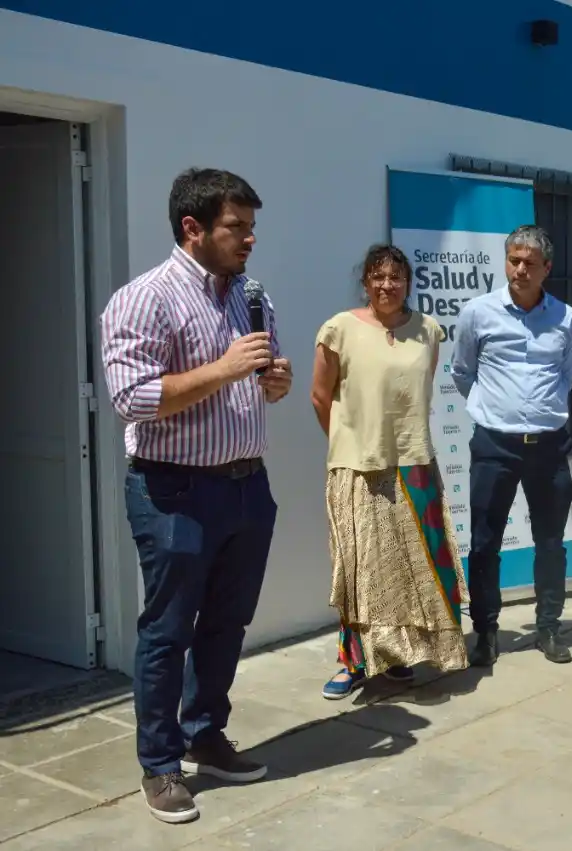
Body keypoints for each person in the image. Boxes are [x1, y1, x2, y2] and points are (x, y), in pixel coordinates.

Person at [100, 168, 292, 824]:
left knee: (226, 622)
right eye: (237, 227)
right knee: (167, 630)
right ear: (194, 228)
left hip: (246, 486)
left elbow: (259, 372)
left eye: (250, 226)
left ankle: (205, 732)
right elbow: (132, 397)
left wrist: (274, 381)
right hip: (174, 490)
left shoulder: (252, 295)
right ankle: (160, 763)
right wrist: (224, 368)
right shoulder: (144, 299)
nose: (250, 239)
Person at [310, 244, 469, 700]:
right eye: (377, 277)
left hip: (414, 463)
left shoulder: (429, 332)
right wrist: (347, 444)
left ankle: (398, 657)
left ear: (408, 283)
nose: (386, 285)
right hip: (358, 468)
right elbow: (321, 396)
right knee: (362, 570)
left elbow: (418, 394)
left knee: (411, 566)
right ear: (365, 282)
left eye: (395, 277)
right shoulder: (339, 329)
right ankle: (353, 663)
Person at [451, 225, 572, 666]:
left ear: (547, 267)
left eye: (530, 262)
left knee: (550, 543)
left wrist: (538, 412)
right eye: (513, 260)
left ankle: (549, 628)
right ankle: (486, 633)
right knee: (485, 542)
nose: (520, 269)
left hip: (548, 448)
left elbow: (569, 374)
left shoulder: (566, 318)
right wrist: (496, 411)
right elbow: (462, 372)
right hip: (495, 445)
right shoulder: (478, 312)